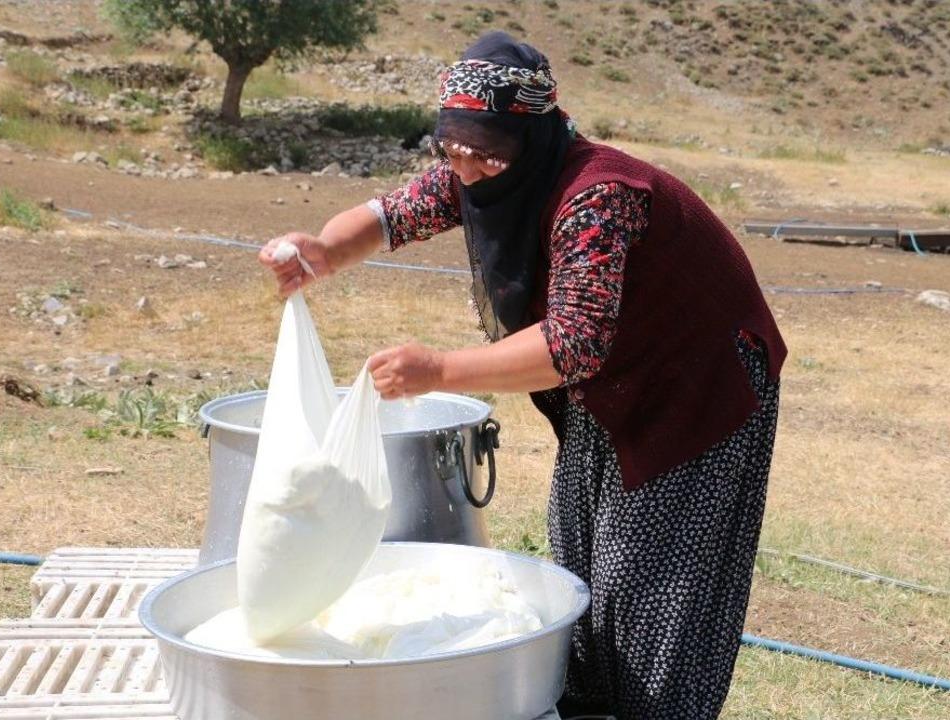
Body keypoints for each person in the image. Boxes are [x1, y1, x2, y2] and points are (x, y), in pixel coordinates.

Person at [260, 31, 786, 720]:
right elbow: (391, 216)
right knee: (579, 559)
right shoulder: (480, 167)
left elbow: (573, 343)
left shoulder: (596, 197)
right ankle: (592, 706)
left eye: (485, 154)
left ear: (532, 137)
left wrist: (439, 370)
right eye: (453, 149)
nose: (468, 169)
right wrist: (324, 249)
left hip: (699, 388)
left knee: (652, 584)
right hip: (616, 389)